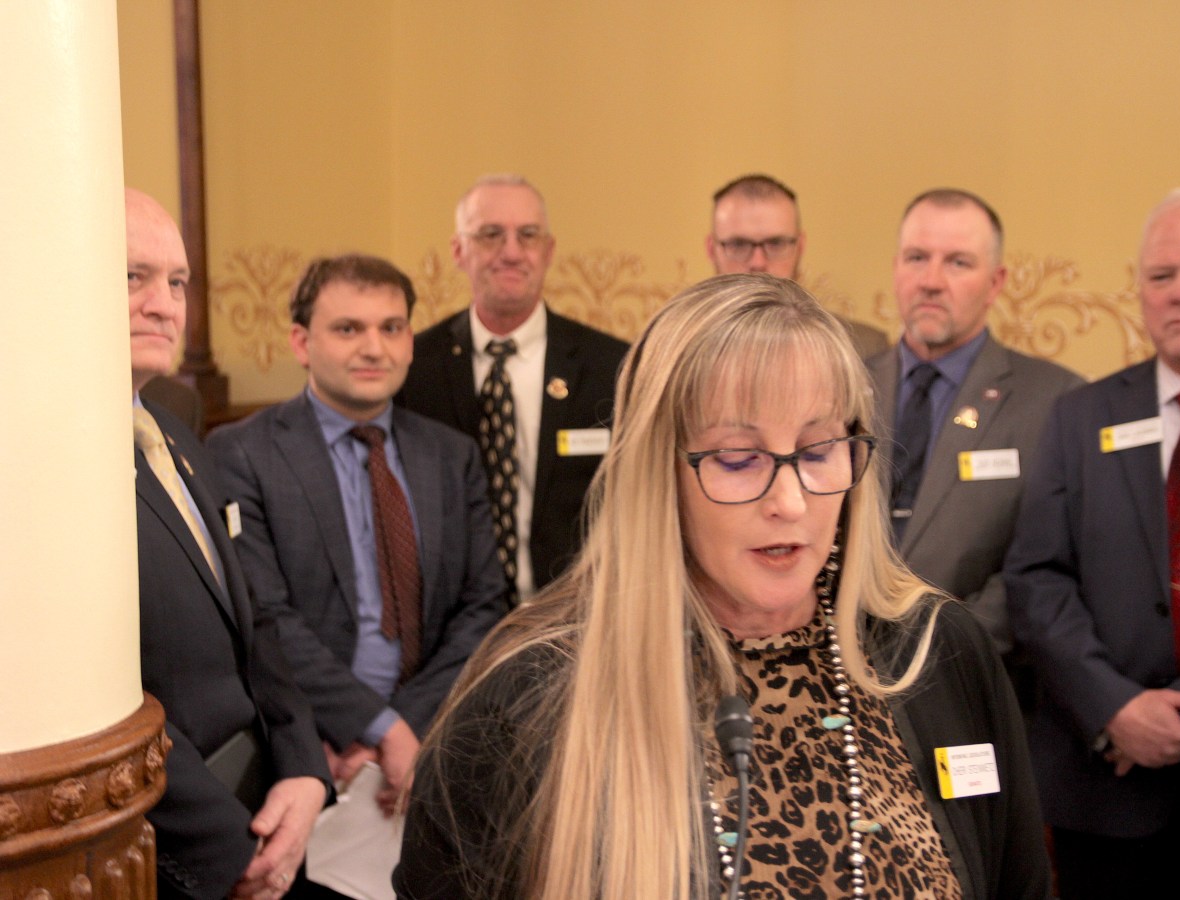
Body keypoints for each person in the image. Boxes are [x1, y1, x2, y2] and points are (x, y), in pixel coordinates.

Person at [394, 274, 1049, 899]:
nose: (790, 501)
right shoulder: (525, 701)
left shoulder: (936, 653)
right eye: (740, 459)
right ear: (658, 474)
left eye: (818, 451)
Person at [207, 255, 508, 819]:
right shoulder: (242, 453)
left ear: (410, 341)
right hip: (304, 748)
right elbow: (264, 617)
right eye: (348, 329)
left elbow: (483, 605)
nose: (374, 348)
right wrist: (372, 727)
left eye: (391, 328)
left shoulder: (452, 455)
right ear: (302, 343)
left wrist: (402, 729)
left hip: (430, 739)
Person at [126, 187, 330, 898]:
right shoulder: (38, 466)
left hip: (267, 805)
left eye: (177, 282)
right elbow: (100, 696)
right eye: (132, 277)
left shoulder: (177, 432)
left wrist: (305, 769)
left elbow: (253, 622)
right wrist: (226, 850)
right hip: (178, 850)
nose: (164, 305)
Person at [1004, 188, 1180, 899]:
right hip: (1104, 789)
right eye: (1162, 275)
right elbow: (1036, 579)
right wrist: (1114, 708)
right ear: (1138, 291)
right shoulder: (1079, 417)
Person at [866, 188, 1082, 655]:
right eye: (917, 258)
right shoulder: (843, 386)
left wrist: (944, 644)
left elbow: (1050, 561)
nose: (931, 281)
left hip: (976, 666)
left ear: (996, 282)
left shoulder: (1055, 400)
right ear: (896, 267)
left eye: (958, 263)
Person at [400, 174, 628, 602]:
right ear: (458, 251)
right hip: (450, 620)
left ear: (548, 251)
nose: (511, 252)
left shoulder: (612, 367)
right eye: (490, 235)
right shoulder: (413, 368)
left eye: (528, 235)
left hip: (575, 614)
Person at [705, 173, 888, 358]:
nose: (758, 262)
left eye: (776, 244)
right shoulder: (686, 342)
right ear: (711, 249)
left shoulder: (861, 351)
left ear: (800, 247)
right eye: (738, 245)